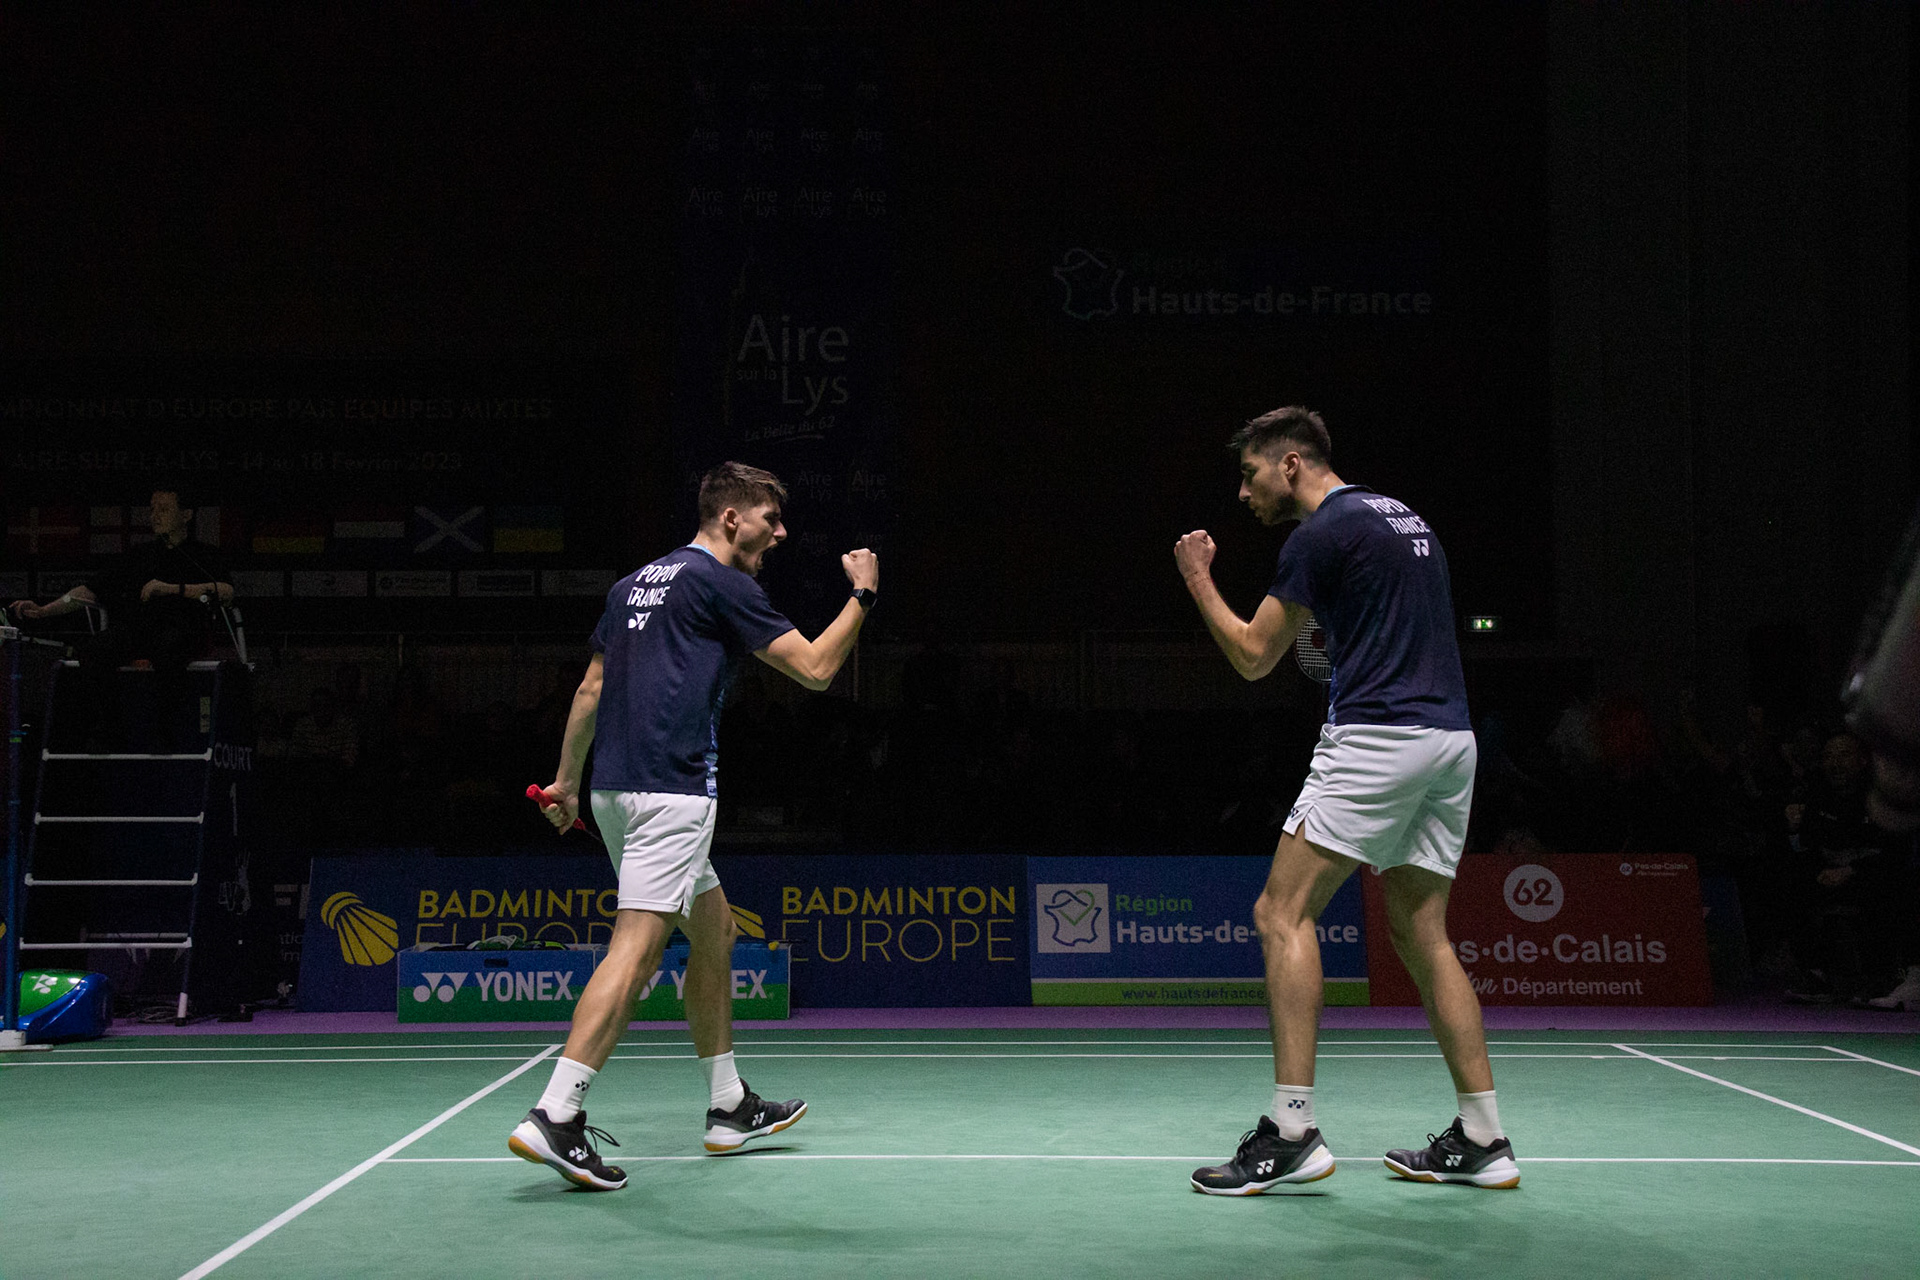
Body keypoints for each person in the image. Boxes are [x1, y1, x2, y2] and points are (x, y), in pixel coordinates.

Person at [1174, 406, 1518, 1194]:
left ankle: (1292, 1130)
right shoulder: (1403, 517)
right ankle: (1484, 1135)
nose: (1244, 491)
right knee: (1423, 931)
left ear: (1291, 463)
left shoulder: (1318, 533)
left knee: (1279, 913)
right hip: (1450, 741)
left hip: (1379, 739)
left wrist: (1197, 577)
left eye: (1253, 473)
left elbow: (1256, 657)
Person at [508, 461, 879, 1191]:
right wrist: (863, 593)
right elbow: (815, 668)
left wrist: (567, 783)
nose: (780, 532)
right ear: (731, 517)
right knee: (637, 950)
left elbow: (590, 688)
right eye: (770, 518)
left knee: (714, 931)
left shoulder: (632, 585)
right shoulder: (722, 582)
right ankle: (557, 1113)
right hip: (671, 791)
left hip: (618, 789)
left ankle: (729, 1105)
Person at [9, 488, 235, 748]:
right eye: (152, 509)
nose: (154, 516)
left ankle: (165, 731)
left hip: (183, 631)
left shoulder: (204, 555)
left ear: (186, 515)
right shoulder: (138, 555)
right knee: (96, 649)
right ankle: (110, 728)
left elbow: (226, 592)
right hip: (138, 631)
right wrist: (44, 610)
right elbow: (88, 592)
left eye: (164, 509)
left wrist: (171, 588)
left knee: (168, 647)